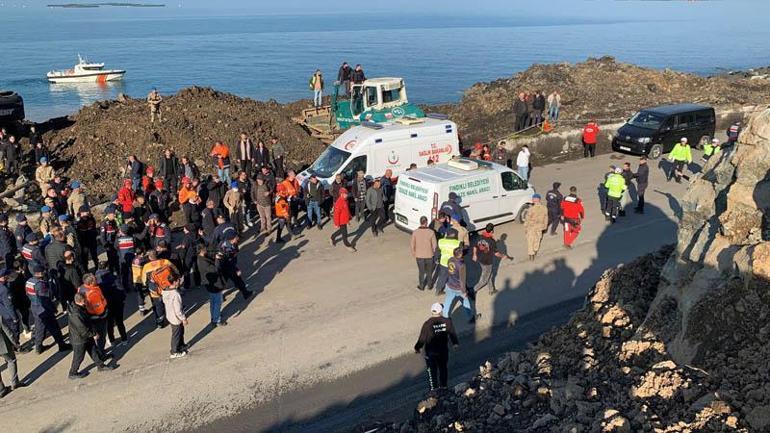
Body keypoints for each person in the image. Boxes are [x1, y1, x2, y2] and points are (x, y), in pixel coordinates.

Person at [67, 292, 114, 379]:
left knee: (93, 351)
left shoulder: (78, 308)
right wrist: (93, 334)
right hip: (79, 339)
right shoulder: (76, 314)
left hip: (85, 336)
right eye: (85, 300)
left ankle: (100, 365)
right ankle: (73, 372)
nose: (86, 302)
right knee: (79, 357)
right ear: (81, 301)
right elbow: (82, 328)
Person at [414, 302, 459, 392]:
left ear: (432, 311)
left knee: (432, 371)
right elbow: (452, 333)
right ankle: (444, 387)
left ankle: (433, 389)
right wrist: (455, 343)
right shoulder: (447, 321)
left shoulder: (427, 324)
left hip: (431, 352)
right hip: (443, 351)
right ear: (441, 311)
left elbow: (422, 338)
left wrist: (417, 348)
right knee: (443, 369)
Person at [27, 265, 71, 353]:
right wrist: (53, 309)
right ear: (39, 273)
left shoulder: (29, 281)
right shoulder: (40, 285)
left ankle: (38, 347)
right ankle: (61, 345)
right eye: (43, 271)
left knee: (39, 328)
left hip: (35, 308)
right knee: (54, 327)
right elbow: (45, 300)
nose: (44, 273)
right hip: (44, 309)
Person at [472, 223, 512, 294]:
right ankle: (473, 290)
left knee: (488, 275)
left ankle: (491, 290)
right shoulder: (492, 241)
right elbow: (496, 253)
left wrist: (474, 255)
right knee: (484, 279)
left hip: (480, 259)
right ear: (492, 231)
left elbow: (475, 246)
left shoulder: (479, 237)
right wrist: (504, 256)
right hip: (487, 262)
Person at [442, 247, 477, 323]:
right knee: (466, 302)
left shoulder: (450, 259)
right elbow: (462, 280)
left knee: (447, 302)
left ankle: (444, 317)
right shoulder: (461, 265)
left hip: (450, 284)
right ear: (460, 254)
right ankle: (470, 318)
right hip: (458, 287)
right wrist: (464, 292)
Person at [217, 232, 252, 299]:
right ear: (232, 239)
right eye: (236, 237)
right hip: (224, 267)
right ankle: (220, 296)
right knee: (224, 282)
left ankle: (245, 293)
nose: (238, 238)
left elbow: (235, 253)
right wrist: (236, 269)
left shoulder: (233, 244)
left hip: (229, 265)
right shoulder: (225, 248)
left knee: (236, 280)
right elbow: (227, 261)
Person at [160, 275, 188, 359]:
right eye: (179, 280)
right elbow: (178, 310)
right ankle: (174, 351)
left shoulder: (165, 291)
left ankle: (181, 345)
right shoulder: (175, 294)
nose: (180, 282)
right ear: (175, 282)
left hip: (170, 315)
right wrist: (183, 319)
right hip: (176, 318)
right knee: (176, 334)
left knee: (179, 332)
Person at [411, 216, 437, 291]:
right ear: (426, 222)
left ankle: (421, 286)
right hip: (429, 255)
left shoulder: (415, 232)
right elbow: (434, 245)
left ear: (420, 222)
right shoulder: (431, 232)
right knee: (429, 272)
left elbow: (412, 244)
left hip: (419, 256)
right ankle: (429, 285)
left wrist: (414, 253)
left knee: (421, 272)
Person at [434, 229, 461, 295]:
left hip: (443, 263)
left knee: (442, 277)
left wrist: (436, 259)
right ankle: (453, 290)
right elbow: (460, 254)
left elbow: (437, 251)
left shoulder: (441, 241)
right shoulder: (457, 243)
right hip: (453, 263)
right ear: (454, 235)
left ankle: (438, 290)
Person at [330, 188, 356, 252]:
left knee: (341, 231)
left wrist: (349, 218)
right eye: (345, 194)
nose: (346, 195)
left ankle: (332, 237)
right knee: (344, 233)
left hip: (345, 220)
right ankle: (348, 245)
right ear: (341, 194)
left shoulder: (345, 200)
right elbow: (336, 215)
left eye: (346, 194)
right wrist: (336, 224)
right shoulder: (339, 203)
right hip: (341, 221)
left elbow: (347, 210)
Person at [524, 194, 548, 260]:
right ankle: (535, 250)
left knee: (530, 240)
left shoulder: (531, 209)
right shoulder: (544, 208)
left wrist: (525, 227)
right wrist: (545, 226)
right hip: (540, 226)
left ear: (533, 200)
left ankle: (531, 255)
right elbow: (546, 218)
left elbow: (527, 219)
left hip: (531, 227)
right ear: (539, 199)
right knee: (537, 239)